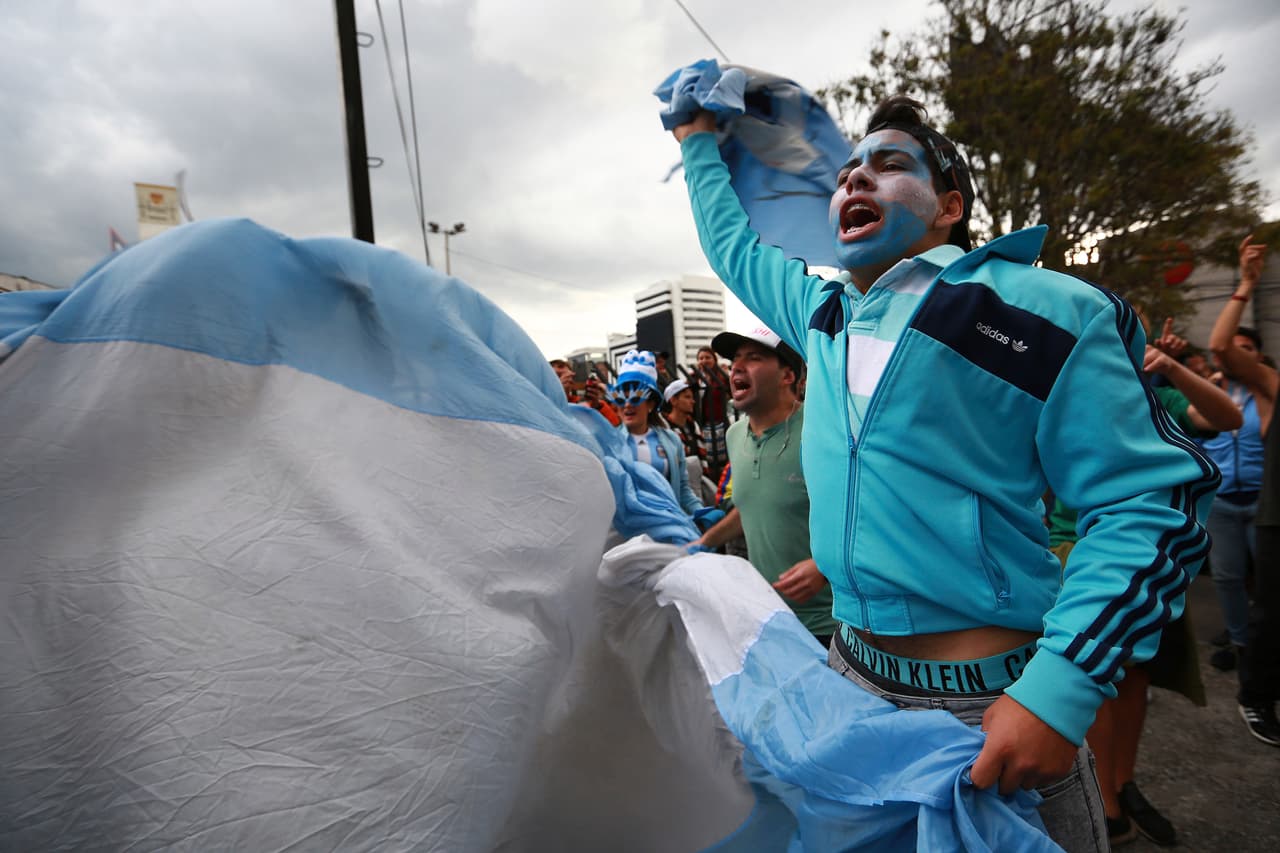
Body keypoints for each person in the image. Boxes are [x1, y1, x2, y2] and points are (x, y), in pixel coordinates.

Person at [670, 94, 1215, 851]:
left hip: (994, 709)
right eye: (848, 171)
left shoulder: (1047, 308)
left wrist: (1056, 694)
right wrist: (696, 138)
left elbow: (1150, 503)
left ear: (948, 206)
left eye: (890, 165)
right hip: (847, 687)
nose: (856, 179)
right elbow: (732, 244)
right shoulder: (821, 315)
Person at [1051, 316, 1242, 847]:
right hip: (1080, 551)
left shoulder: (1158, 400)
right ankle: (1106, 804)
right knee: (1101, 678)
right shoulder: (1065, 392)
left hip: (1153, 553)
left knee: (1136, 680)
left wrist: (1171, 366)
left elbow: (1228, 418)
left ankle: (1123, 785)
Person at [691, 326, 836, 647]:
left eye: (754, 358)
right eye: (735, 359)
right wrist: (700, 544)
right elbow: (751, 507)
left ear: (787, 375)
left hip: (832, 626)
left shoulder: (823, 429)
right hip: (769, 618)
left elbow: (866, 511)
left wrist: (824, 566)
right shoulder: (734, 436)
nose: (736, 367)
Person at [1209, 235, 1280, 745]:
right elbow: (1218, 347)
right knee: (1248, 593)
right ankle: (1253, 689)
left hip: (1258, 503)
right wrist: (1248, 283)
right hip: (1255, 510)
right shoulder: (1265, 387)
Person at [613, 350, 704, 517]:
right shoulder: (610, 444)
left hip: (669, 528)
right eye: (621, 399)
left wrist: (699, 511)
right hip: (628, 534)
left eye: (635, 398)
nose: (627, 405)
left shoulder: (672, 441)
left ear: (651, 404)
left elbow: (683, 489)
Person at [688, 345, 731, 481]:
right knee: (707, 459)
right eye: (701, 358)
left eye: (708, 357)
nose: (704, 360)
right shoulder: (694, 377)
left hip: (719, 423)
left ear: (714, 359)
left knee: (723, 460)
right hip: (701, 424)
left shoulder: (721, 377)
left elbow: (731, 393)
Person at [551, 358, 621, 426]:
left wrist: (597, 406)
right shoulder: (544, 406)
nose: (564, 379)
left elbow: (615, 426)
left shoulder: (584, 403)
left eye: (603, 370)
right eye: (558, 376)